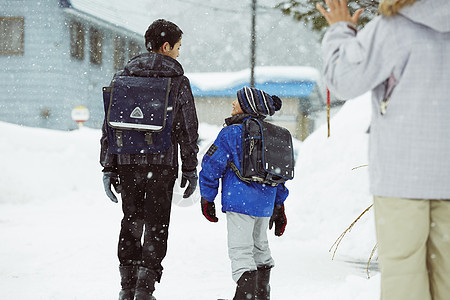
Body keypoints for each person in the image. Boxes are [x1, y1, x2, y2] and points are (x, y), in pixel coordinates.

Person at [316, 0, 450, 299]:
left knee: (404, 274)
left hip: (402, 176)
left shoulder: (393, 28)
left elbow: (344, 81)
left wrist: (340, 31)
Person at [100, 19, 199, 300]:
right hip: (162, 164)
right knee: (156, 224)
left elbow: (109, 125)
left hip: (127, 163)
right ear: (166, 46)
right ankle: (144, 290)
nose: (179, 53)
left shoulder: (122, 77)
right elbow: (188, 129)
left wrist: (108, 166)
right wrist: (190, 168)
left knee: (131, 220)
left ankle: (126, 287)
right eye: (178, 47)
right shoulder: (178, 82)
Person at [199, 86, 289, 300]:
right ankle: (261, 295)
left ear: (247, 107)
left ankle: (245, 297)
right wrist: (279, 206)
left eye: (237, 102)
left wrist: (207, 198)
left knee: (241, 251)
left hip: (239, 202)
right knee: (260, 247)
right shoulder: (271, 135)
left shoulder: (230, 133)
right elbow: (279, 176)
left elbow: (211, 165)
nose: (233, 104)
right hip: (265, 204)